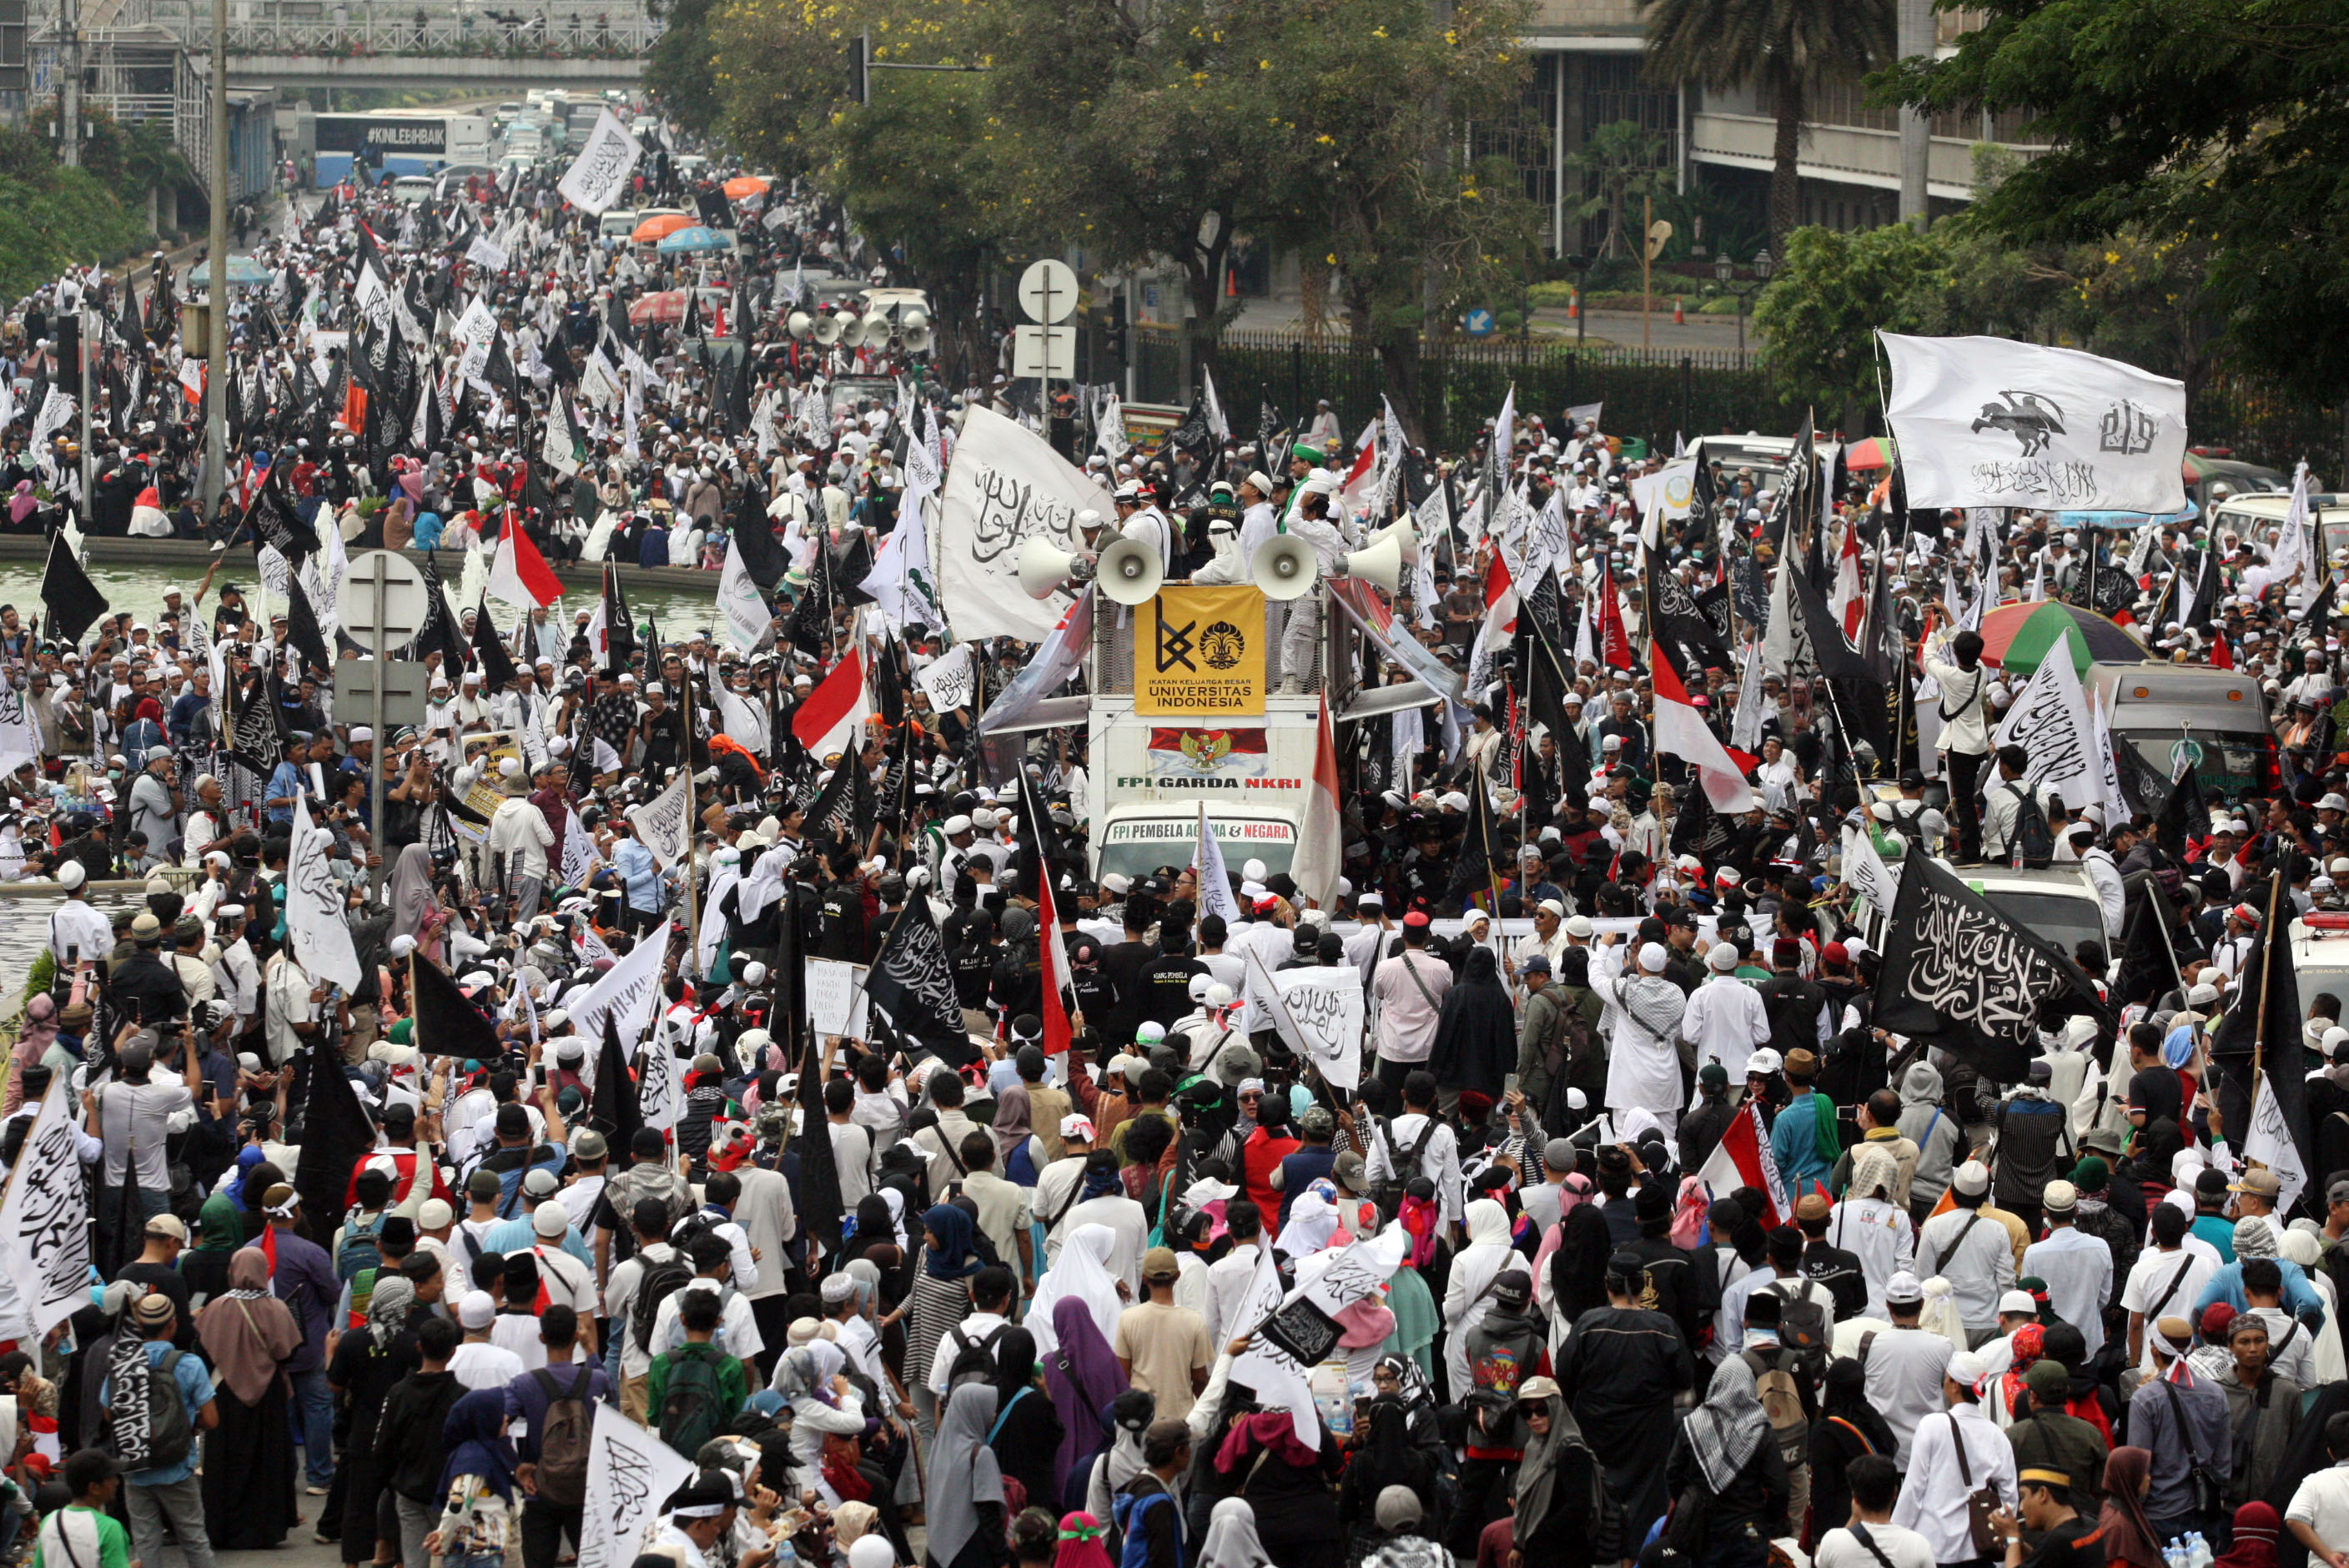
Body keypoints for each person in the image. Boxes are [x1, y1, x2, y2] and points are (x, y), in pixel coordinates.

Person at [191, 1248, 301, 1550]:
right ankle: (265, 1528)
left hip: (225, 1394)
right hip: (268, 1395)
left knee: (225, 1460)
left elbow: (203, 1350)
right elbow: (289, 1352)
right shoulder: (277, 1308)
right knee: (267, 1459)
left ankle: (223, 1527)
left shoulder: (215, 1308)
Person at [101, 1291, 220, 1568]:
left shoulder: (122, 1362)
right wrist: (186, 1425)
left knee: (145, 1542)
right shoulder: (189, 1364)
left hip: (136, 1465)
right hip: (177, 1465)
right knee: (194, 1538)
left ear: (140, 1327)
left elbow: (109, 1413)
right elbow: (211, 1420)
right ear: (172, 1324)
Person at [1663, 1357, 1789, 1566]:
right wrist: (1764, 1519)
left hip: (1704, 1531)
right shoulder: (1760, 1430)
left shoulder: (1693, 1426)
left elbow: (1672, 1473)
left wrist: (1691, 1500)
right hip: (1749, 1532)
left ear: (1716, 1383)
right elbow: (1780, 1488)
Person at [1812, 1454, 1936, 1568]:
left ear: (1855, 1498)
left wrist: (1854, 1518)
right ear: (1895, 1493)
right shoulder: (1918, 1545)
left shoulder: (1833, 1542)